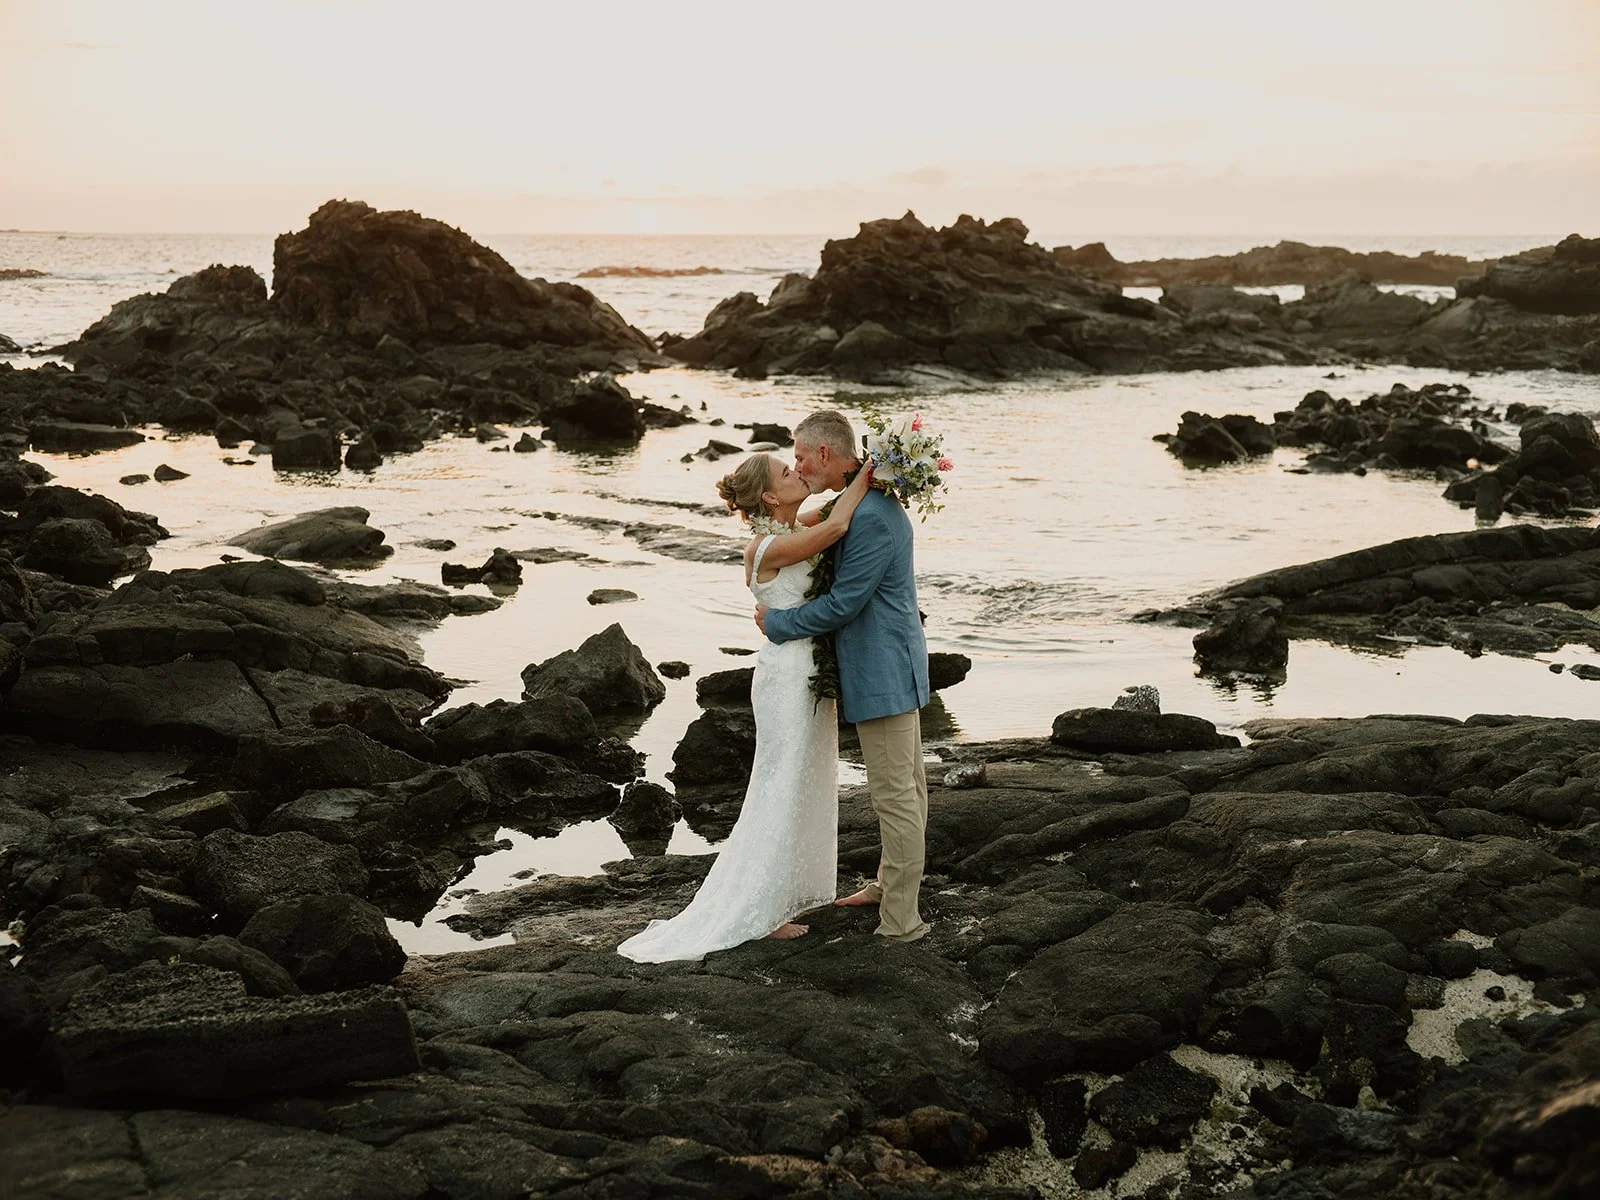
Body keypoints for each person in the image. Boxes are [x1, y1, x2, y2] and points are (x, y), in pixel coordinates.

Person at [617, 452, 873, 962]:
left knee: (797, 779)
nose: (797, 473)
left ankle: (778, 898)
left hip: (801, 668)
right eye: (786, 472)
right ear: (771, 498)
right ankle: (759, 912)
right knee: (779, 783)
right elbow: (839, 521)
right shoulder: (769, 546)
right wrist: (876, 467)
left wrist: (874, 474)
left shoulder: (789, 527)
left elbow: (832, 510)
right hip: (788, 675)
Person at [757, 409, 932, 943]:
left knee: (897, 796)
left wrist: (780, 623)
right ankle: (885, 885)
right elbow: (823, 529)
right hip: (883, 664)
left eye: (802, 456)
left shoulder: (874, 515)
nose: (798, 465)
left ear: (826, 455)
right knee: (907, 789)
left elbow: (846, 603)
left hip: (884, 669)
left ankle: (901, 922)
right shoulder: (852, 501)